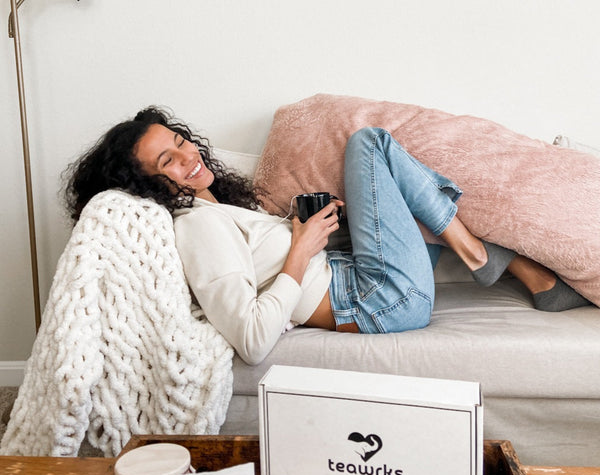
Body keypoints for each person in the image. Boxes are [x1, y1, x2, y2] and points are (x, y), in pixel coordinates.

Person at [64, 107, 591, 364]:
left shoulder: (220, 207)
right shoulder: (197, 226)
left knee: (393, 188)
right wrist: (300, 250)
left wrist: (311, 230)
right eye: (168, 161)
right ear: (145, 182)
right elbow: (250, 339)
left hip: (356, 276)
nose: (188, 157)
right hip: (377, 301)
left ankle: (533, 278)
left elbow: (271, 264)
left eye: (182, 143)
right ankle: (479, 255)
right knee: (370, 143)